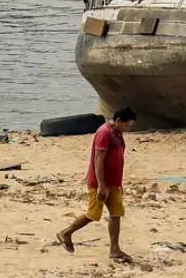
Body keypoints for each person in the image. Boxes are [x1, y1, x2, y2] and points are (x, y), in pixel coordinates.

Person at [57, 107, 136, 262]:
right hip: (101, 183)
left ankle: (114, 249)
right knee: (93, 214)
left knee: (116, 213)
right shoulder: (104, 133)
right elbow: (98, 160)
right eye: (127, 125)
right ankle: (66, 232)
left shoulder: (118, 134)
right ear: (119, 121)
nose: (129, 128)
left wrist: (119, 184)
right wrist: (101, 185)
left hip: (113, 183)